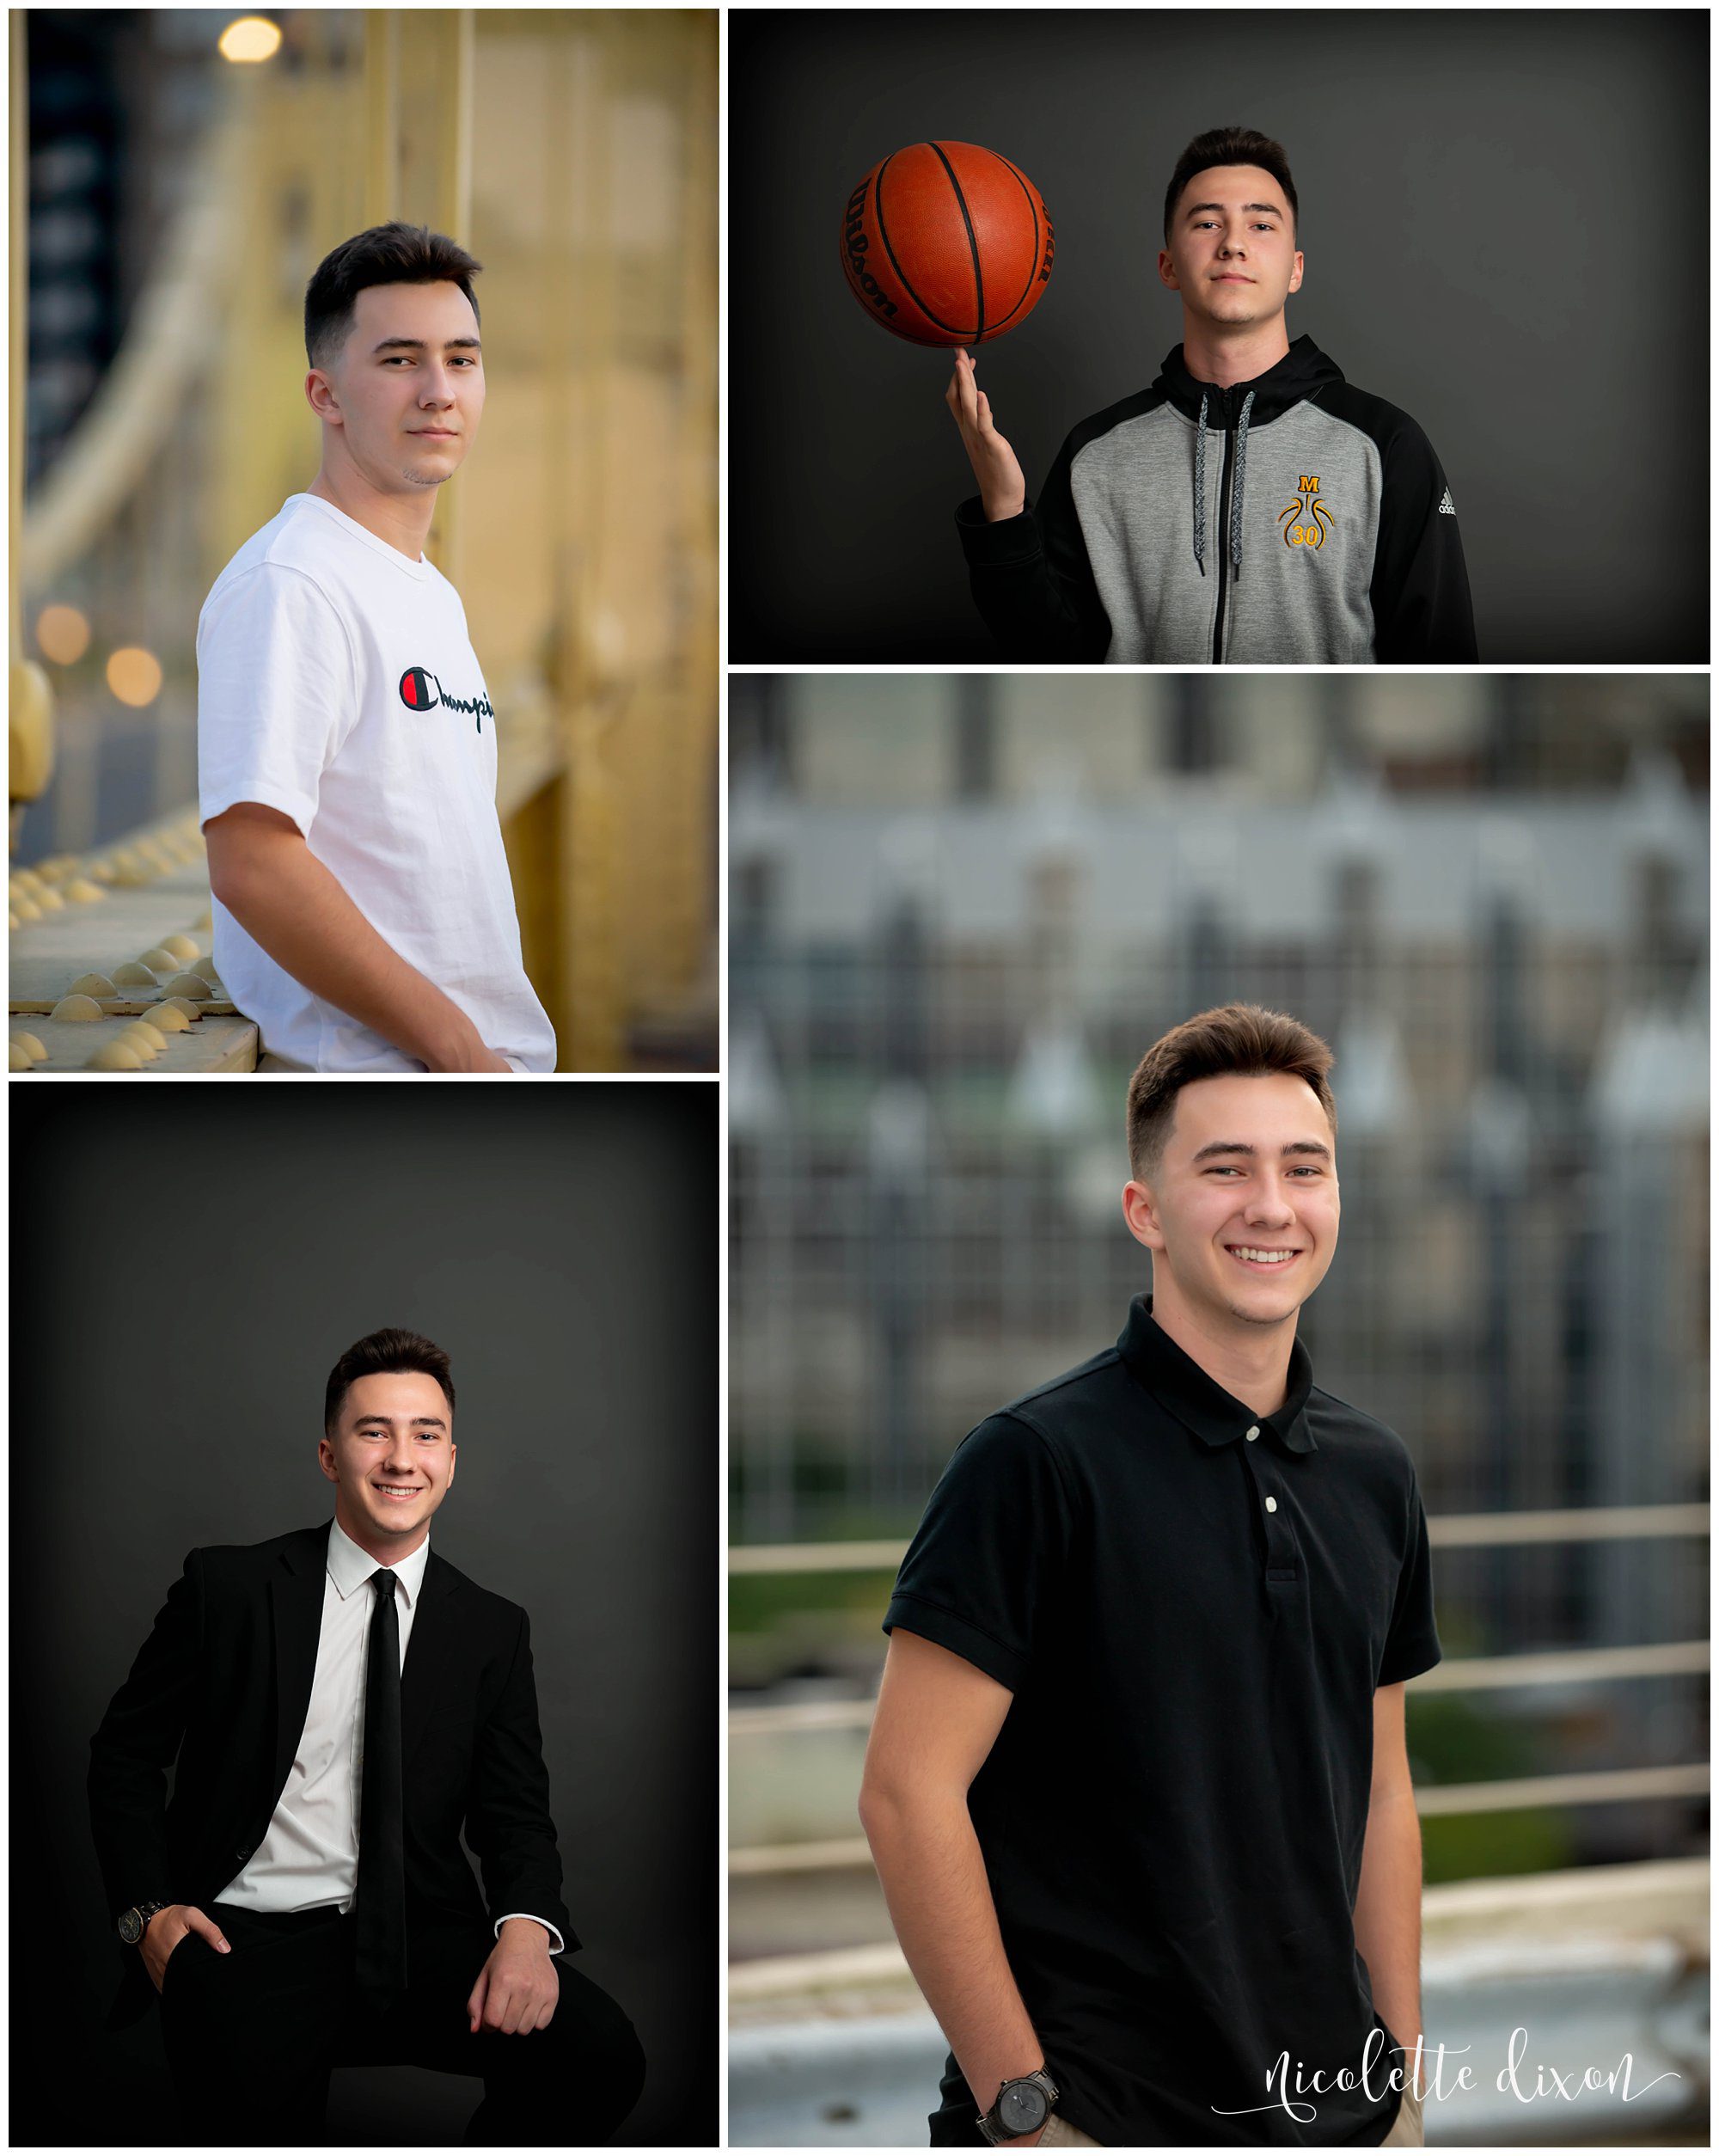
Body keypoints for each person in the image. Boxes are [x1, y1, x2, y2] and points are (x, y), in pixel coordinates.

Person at [860, 1005, 1440, 2148]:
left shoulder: (1376, 1473)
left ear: (1335, 1202)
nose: (1270, 1205)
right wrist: (1023, 2114)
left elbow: (1381, 1792)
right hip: (1102, 2121)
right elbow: (905, 1796)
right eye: (1224, 1170)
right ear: (1147, 1211)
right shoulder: (1033, 1462)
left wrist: (1407, 2084)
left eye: (1303, 1168)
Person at [88, 1328, 643, 2146]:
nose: (400, 1459)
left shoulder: (492, 1628)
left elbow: (516, 1814)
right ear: (328, 1454)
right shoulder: (229, 1588)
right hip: (249, 1939)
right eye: (373, 1431)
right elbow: (125, 1755)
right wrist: (148, 1914)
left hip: (423, 1936)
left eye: (424, 1435)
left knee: (602, 2058)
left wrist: (526, 1928)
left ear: (452, 1460)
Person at [198, 224, 555, 1071]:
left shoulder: (427, 592)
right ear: (325, 394)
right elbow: (251, 859)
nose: (439, 391)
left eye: (461, 359)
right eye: (400, 360)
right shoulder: (293, 583)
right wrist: (456, 1050)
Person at [947, 128, 1476, 665]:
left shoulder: (1384, 445)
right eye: (1206, 223)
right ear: (1168, 265)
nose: (1233, 243)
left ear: (1295, 269)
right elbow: (1049, 661)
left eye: (1262, 224)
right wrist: (1005, 511)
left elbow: (1442, 655)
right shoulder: (1096, 455)